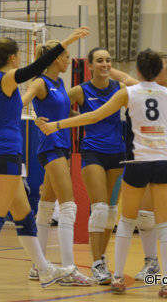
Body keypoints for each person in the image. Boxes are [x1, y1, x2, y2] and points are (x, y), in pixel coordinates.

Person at [37, 48, 167, 298]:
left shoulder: (128, 92)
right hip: (165, 162)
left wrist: (56, 125)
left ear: (138, 71)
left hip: (138, 162)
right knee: (165, 224)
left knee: (127, 223)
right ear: (160, 71)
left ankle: (117, 277)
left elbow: (93, 115)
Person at [0, 27, 88, 293]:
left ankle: (43, 268)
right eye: (19, 56)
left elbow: (2, 98)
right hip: (4, 155)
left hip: (0, 154)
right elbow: (36, 67)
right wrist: (67, 42)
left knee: (25, 217)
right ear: (14, 58)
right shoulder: (5, 79)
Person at [111, 52, 167, 282]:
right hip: (151, 157)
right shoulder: (144, 89)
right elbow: (122, 75)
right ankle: (152, 264)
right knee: (146, 216)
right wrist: (104, 66)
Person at [21, 39, 95, 286]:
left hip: (62, 145)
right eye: (65, 57)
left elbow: (64, 114)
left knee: (46, 205)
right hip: (50, 146)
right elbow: (22, 101)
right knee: (68, 205)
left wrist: (89, 117)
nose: (68, 61)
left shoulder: (60, 82)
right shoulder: (40, 82)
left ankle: (37, 266)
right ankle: (68, 269)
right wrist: (31, 117)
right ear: (54, 58)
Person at [67, 47, 126, 284]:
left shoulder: (119, 89)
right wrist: (76, 119)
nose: (105, 64)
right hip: (92, 152)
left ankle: (102, 259)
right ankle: (97, 263)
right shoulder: (81, 91)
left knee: (111, 211)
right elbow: (54, 104)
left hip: (118, 153)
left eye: (108, 60)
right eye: (100, 60)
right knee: (99, 208)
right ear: (89, 66)